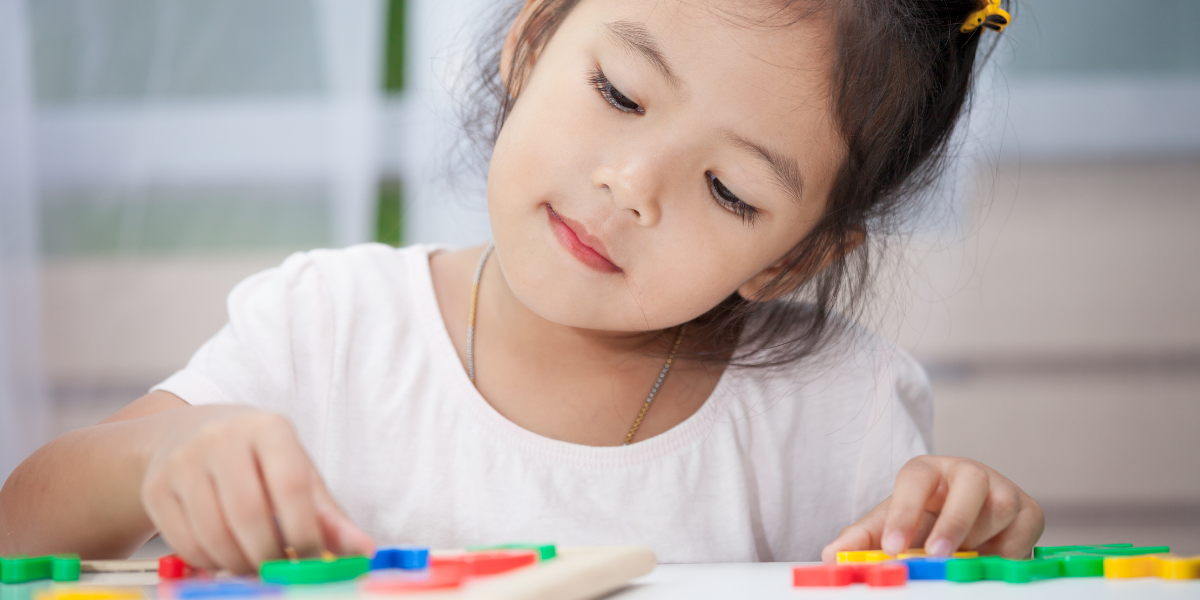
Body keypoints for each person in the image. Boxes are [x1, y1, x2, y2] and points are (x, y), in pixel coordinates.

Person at [0, 0, 1041, 573]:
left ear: (790, 258)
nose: (629, 187)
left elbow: (924, 565)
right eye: (619, 92)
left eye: (728, 189)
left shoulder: (837, 412)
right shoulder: (326, 329)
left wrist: (965, 543)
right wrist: (159, 458)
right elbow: (22, 528)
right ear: (533, 41)